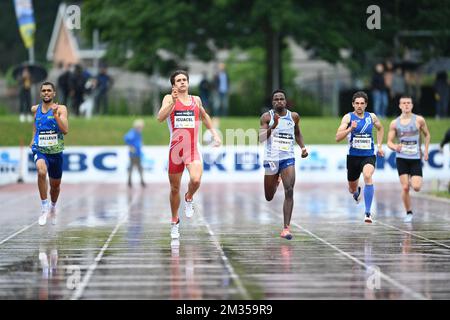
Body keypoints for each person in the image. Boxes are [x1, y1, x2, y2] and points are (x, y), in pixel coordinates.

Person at [157, 70, 221, 240]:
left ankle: (189, 197)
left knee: (196, 179)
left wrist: (214, 133)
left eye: (185, 79)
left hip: (192, 148)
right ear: (174, 85)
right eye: (179, 80)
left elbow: (205, 116)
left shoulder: (196, 100)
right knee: (174, 188)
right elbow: (160, 118)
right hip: (175, 151)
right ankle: (174, 221)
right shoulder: (169, 98)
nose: (182, 82)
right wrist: (173, 103)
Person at [259, 89, 308, 240]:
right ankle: (276, 180)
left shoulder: (293, 116)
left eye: (281, 99)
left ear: (286, 101)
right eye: (276, 99)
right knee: (268, 196)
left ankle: (286, 228)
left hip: (288, 158)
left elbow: (297, 133)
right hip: (271, 159)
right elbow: (261, 138)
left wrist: (303, 147)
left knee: (290, 190)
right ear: (272, 102)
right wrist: (273, 126)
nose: (279, 101)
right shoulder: (266, 117)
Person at [335, 91, 385, 223]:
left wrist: (379, 146)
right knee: (351, 189)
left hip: (368, 155)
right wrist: (350, 129)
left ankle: (367, 213)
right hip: (353, 157)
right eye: (357, 103)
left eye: (362, 103)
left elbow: (380, 129)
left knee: (368, 176)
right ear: (353, 104)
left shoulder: (372, 117)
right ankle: (356, 191)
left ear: (366, 105)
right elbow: (337, 137)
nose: (359, 106)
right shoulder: (348, 118)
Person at [29, 82, 69, 226]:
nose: (46, 93)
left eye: (49, 91)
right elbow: (35, 124)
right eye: (44, 91)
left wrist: (55, 115)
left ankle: (52, 206)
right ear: (41, 94)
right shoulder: (36, 109)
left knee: (55, 187)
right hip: (40, 149)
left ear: (54, 94)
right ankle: (44, 206)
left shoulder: (61, 109)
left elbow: (65, 130)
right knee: (41, 171)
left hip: (56, 152)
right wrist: (33, 138)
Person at [387, 96, 431, 222]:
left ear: (412, 105)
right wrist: (396, 147)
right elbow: (389, 142)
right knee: (405, 187)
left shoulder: (419, 120)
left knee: (416, 187)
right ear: (400, 106)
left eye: (408, 103)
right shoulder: (395, 123)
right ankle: (409, 212)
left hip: (415, 158)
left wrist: (426, 151)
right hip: (402, 158)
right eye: (404, 103)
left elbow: (427, 135)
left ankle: (412, 180)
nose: (406, 105)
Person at [124, 118, 146, 188]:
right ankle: (130, 181)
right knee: (132, 167)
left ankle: (141, 181)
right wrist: (130, 147)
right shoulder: (132, 133)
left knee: (139, 168)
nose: (141, 129)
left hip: (138, 153)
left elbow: (139, 141)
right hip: (133, 154)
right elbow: (126, 139)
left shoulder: (138, 133)